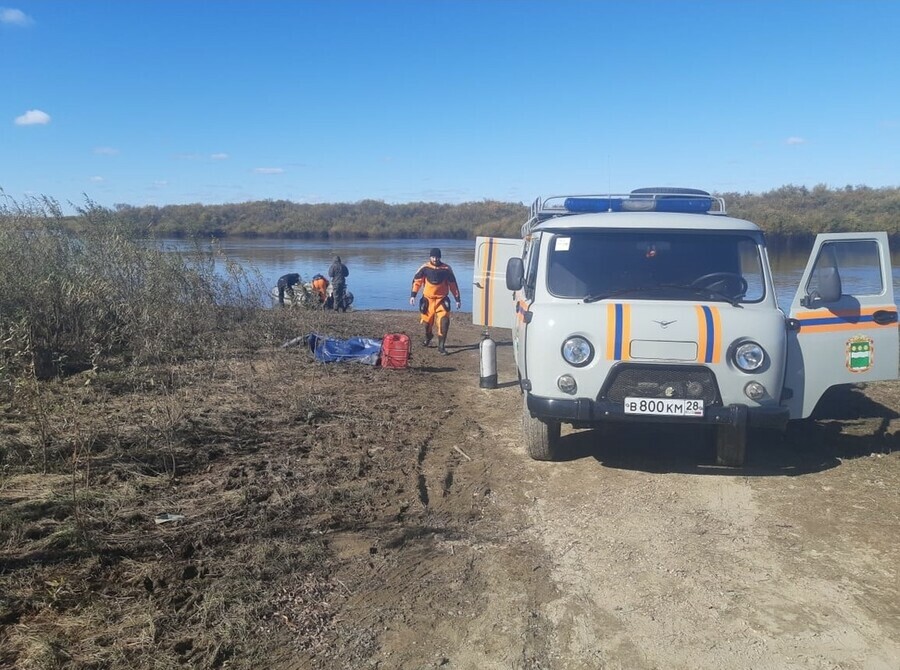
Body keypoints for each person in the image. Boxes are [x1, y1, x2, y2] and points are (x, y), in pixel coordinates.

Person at [409, 247, 460, 355]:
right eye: (433, 257)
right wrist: (413, 295)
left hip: (442, 300)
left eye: (437, 257)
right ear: (430, 257)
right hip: (428, 300)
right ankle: (428, 336)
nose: (435, 259)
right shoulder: (425, 268)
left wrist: (457, 299)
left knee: (444, 322)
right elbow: (417, 282)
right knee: (427, 324)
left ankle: (441, 346)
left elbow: (453, 285)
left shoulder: (446, 268)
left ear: (440, 257)